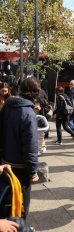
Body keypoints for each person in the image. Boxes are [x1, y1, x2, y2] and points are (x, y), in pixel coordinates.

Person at [0, 77, 40, 218]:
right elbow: (31, 146)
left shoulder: (7, 105)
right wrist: (33, 172)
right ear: (36, 93)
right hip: (20, 169)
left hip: (5, 164)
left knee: (6, 203)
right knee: (20, 207)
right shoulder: (28, 114)